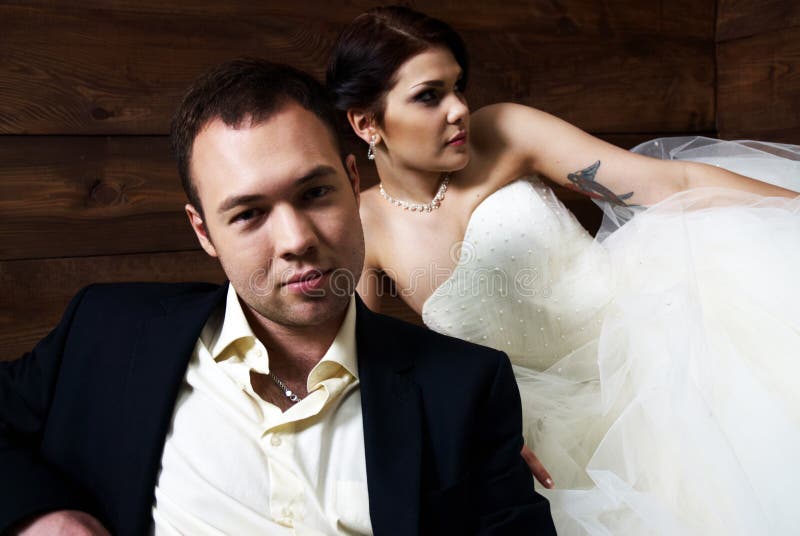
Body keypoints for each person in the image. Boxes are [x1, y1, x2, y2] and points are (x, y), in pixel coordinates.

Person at [0, 58, 557, 535]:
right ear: (202, 232)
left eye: (315, 193)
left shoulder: (464, 389)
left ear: (350, 179)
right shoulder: (106, 330)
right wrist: (42, 516)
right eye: (248, 214)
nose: (296, 241)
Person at [326, 6, 800, 535]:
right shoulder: (363, 224)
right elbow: (361, 378)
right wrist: (466, 421)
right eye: (429, 96)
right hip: (537, 425)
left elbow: (672, 184)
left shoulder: (504, 130)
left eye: (459, 87)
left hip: (653, 350)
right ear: (367, 123)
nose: (459, 109)